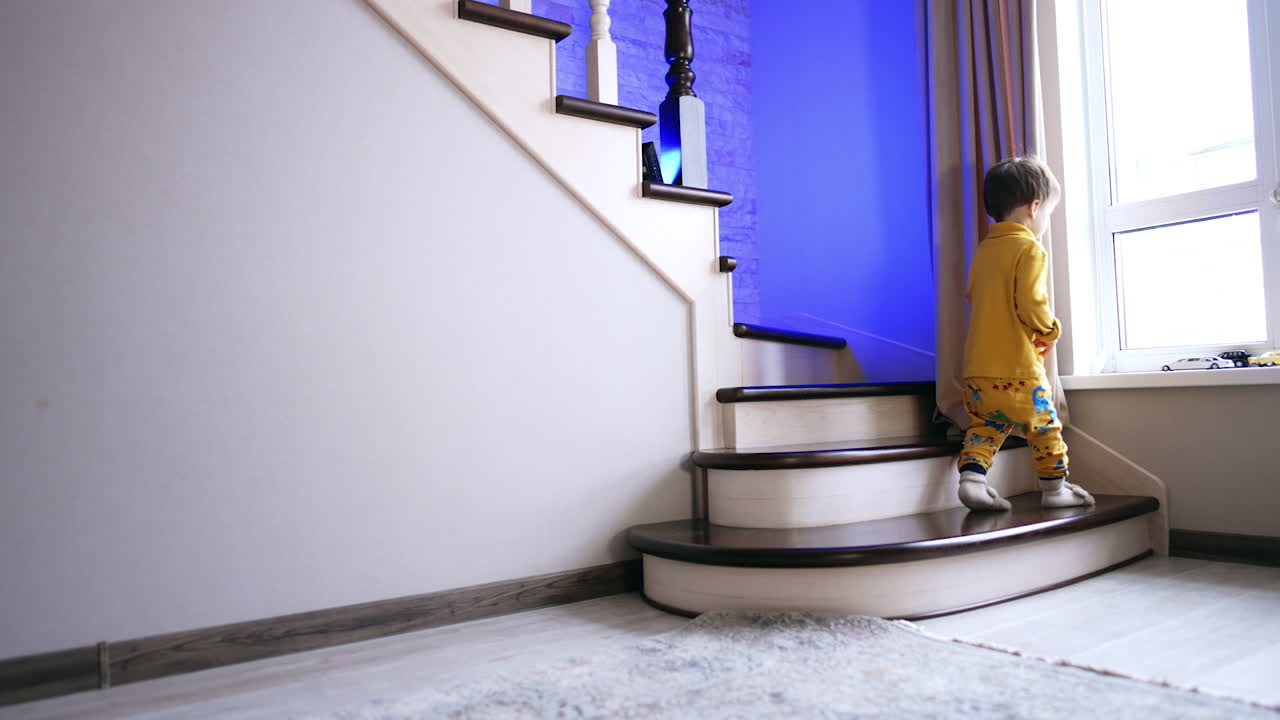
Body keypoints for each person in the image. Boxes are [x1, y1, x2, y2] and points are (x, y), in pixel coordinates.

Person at [956, 156, 1095, 512]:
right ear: (1034, 208)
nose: (1045, 221)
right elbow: (1031, 302)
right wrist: (1050, 329)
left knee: (986, 427)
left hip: (976, 371)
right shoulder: (1030, 248)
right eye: (1048, 212)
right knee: (1045, 428)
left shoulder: (985, 250)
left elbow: (973, 295)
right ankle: (1054, 490)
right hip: (1016, 369)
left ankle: (972, 480)